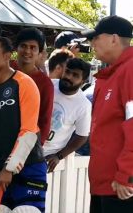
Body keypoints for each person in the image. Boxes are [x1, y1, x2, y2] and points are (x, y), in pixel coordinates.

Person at [0, 36, 47, 212]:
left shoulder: (24, 83)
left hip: (29, 164)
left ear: (8, 55)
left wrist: (9, 169)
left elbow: (29, 131)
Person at [81, 15, 133, 212]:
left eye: (96, 37)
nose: (92, 42)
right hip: (106, 185)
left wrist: (127, 175)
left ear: (114, 38)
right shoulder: (112, 73)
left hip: (121, 187)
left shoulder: (130, 69)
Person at [43, 58, 92, 172]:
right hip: (27, 148)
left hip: (49, 157)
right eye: (68, 72)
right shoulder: (49, 85)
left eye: (75, 75)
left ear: (83, 81)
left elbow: (82, 136)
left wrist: (59, 156)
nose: (69, 77)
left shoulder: (83, 105)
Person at [15, 28, 54, 145]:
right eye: (23, 46)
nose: (27, 51)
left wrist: (34, 148)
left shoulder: (45, 84)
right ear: (16, 48)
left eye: (33, 47)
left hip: (26, 146)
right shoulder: (4, 70)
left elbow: (45, 121)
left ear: (40, 53)